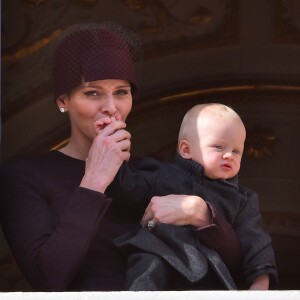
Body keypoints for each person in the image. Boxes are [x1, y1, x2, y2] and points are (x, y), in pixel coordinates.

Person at [0, 23, 243, 292]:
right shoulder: (24, 176)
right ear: (63, 101)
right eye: (92, 93)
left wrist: (201, 214)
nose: (111, 108)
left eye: (121, 92)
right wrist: (94, 180)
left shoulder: (152, 172)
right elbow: (48, 280)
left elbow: (237, 272)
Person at [108, 103, 278, 290]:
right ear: (186, 150)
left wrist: (260, 283)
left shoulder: (242, 199)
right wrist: (113, 151)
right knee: (148, 263)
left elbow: (255, 243)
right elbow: (128, 190)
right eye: (219, 147)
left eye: (236, 151)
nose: (229, 155)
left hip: (208, 270)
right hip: (160, 253)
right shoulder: (160, 174)